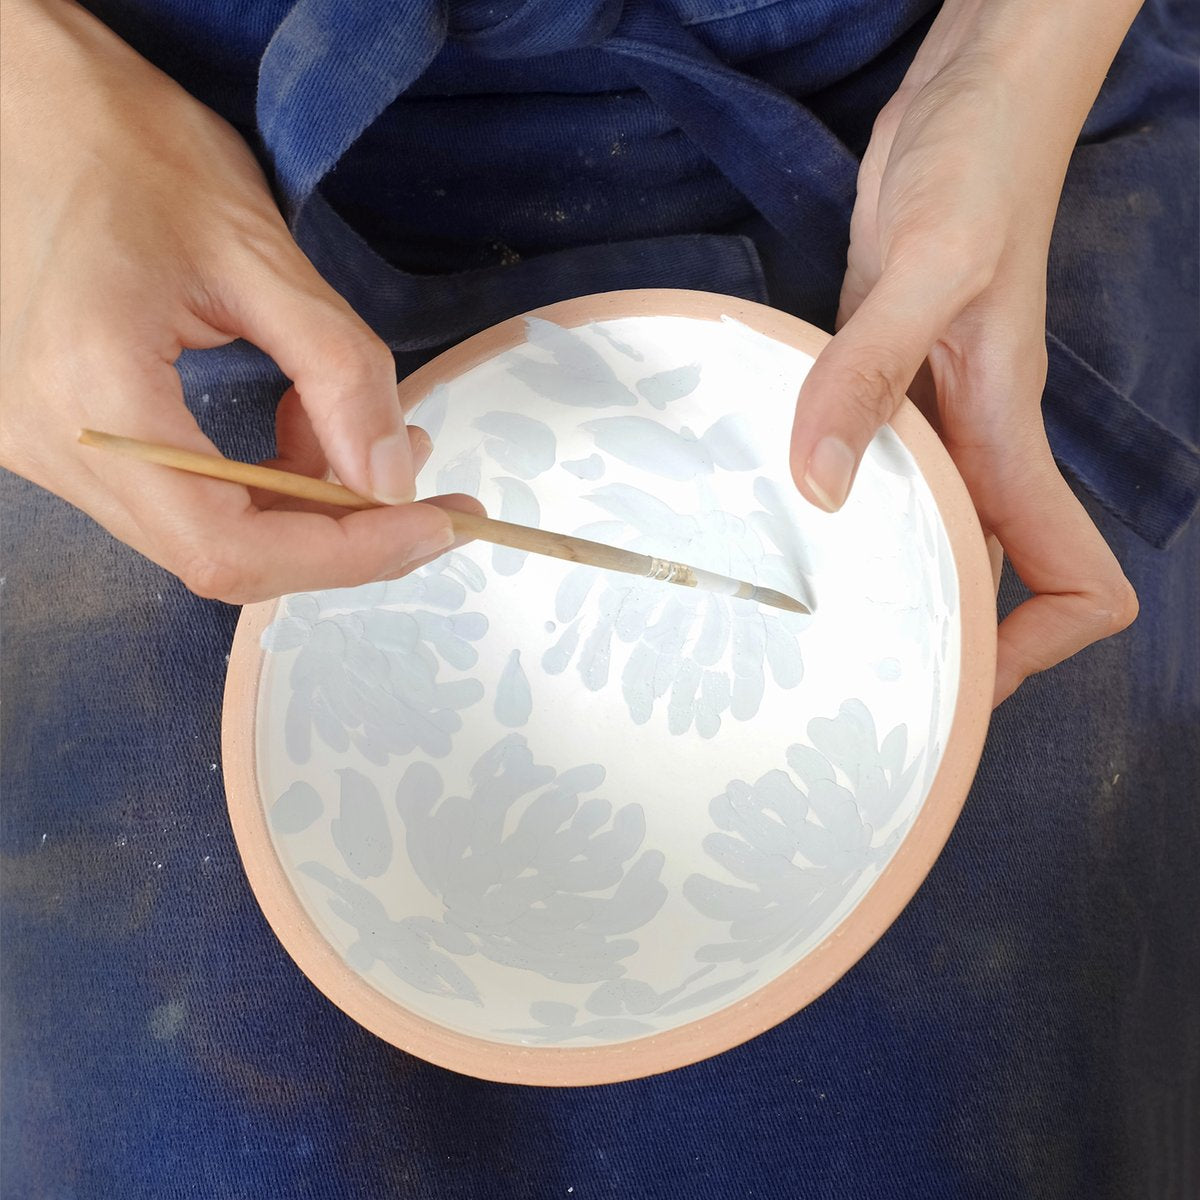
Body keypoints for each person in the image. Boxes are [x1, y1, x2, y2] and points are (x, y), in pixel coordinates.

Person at [1, 1, 1196, 1197]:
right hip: (144, 182)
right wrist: (31, 108)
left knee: (1010, 1083)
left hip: (912, 131)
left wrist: (1009, 62)